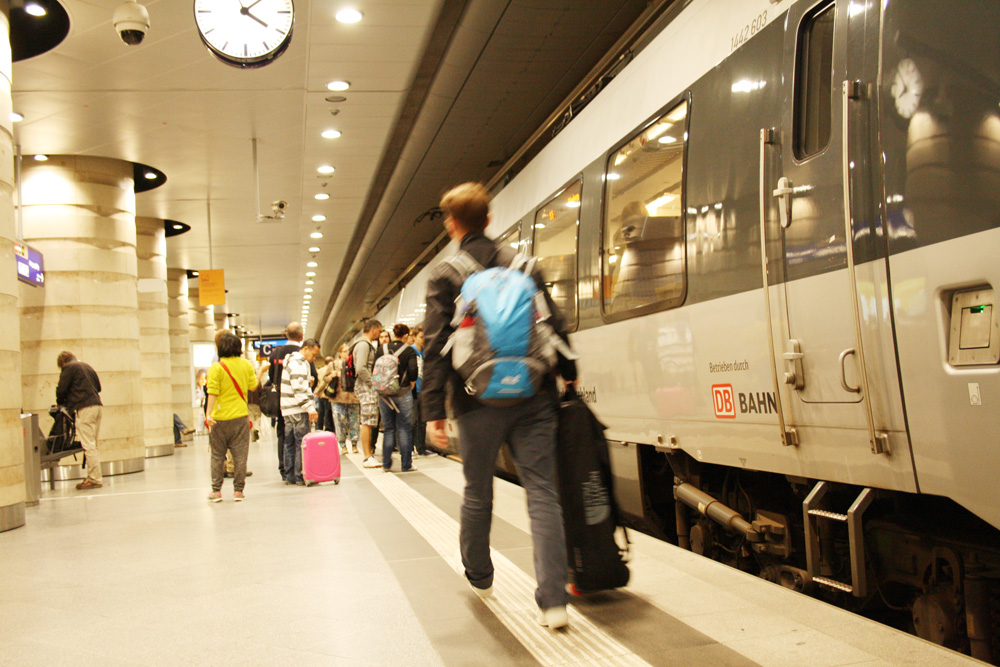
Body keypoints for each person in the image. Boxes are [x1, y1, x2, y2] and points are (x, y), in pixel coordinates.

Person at [423, 182, 577, 630]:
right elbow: (555, 323)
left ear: (453, 225)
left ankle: (481, 575)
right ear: (489, 219)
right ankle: (554, 600)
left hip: (475, 400)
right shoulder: (524, 264)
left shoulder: (445, 275)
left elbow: (435, 347)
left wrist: (433, 410)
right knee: (543, 493)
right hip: (535, 393)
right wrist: (568, 373)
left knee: (477, 489)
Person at [205, 332, 258, 502]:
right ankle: (238, 491)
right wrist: (261, 372)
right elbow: (253, 386)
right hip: (240, 416)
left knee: (217, 455)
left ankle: (216, 491)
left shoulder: (216, 367)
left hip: (219, 418)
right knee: (240, 455)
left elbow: (212, 392)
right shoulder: (246, 365)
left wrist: (208, 415)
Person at [373, 323, 419, 472]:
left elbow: (374, 369)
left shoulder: (381, 349)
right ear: (405, 335)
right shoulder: (409, 351)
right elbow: (413, 370)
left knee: (389, 428)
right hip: (403, 393)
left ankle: (386, 465)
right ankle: (406, 465)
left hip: (384, 395)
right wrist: (411, 382)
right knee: (404, 429)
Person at [55, 351, 104, 490]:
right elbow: (98, 387)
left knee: (88, 444)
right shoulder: (87, 366)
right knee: (93, 444)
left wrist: (60, 403)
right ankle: (94, 475)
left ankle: (94, 479)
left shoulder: (69, 368)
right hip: (97, 406)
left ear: (63, 362)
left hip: (85, 408)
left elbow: (61, 389)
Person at [280, 338, 321, 484]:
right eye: (313, 354)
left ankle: (290, 475)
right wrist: (310, 408)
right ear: (306, 349)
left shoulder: (290, 361)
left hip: (288, 409)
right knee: (301, 443)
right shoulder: (299, 363)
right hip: (298, 409)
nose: (314, 359)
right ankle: (301, 476)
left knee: (289, 443)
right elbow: (298, 390)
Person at [269, 323, 305, 481]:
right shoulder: (302, 353)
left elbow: (271, 377)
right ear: (301, 336)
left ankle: (284, 469)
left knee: (283, 435)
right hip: (298, 402)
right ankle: (299, 470)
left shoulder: (276, 353)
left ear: (286, 335)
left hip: (281, 401)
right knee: (299, 437)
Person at [352, 319, 383, 468]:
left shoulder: (364, 344)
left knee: (369, 421)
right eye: (379, 329)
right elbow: (360, 368)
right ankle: (367, 456)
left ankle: (368, 454)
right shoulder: (364, 345)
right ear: (374, 329)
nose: (379, 333)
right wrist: (373, 383)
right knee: (367, 421)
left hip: (365, 386)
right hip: (365, 386)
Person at [329, 343, 361, 454]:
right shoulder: (333, 365)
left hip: (353, 397)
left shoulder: (355, 364)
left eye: (349, 351)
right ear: (340, 353)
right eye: (345, 351)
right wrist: (332, 375)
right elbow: (325, 378)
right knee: (339, 421)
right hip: (338, 398)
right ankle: (342, 444)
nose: (347, 353)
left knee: (354, 422)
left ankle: (354, 444)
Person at [409, 326, 431, 457]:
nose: (423, 340)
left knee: (423, 421)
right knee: (413, 421)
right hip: (413, 391)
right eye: (421, 337)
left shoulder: (425, 352)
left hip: (424, 390)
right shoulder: (410, 351)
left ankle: (421, 448)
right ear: (414, 337)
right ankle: (411, 448)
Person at [314, 356, 337, 434]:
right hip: (328, 394)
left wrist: (317, 391)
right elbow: (324, 383)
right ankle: (328, 429)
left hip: (321, 394)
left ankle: (318, 428)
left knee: (320, 412)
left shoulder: (320, 370)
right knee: (328, 413)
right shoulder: (330, 369)